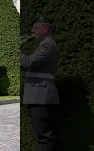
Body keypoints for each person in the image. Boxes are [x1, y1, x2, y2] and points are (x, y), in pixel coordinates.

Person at [21, 16, 60, 151]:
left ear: (45, 29)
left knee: (45, 137)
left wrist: (16, 52)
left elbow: (29, 62)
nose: (32, 30)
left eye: (36, 28)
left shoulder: (47, 45)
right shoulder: (44, 44)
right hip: (38, 94)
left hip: (41, 94)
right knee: (42, 135)